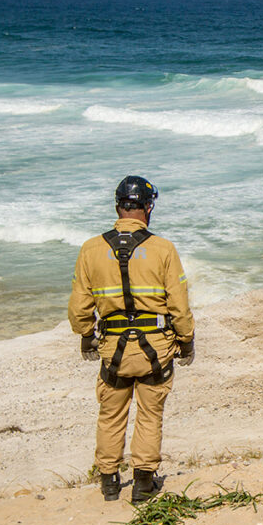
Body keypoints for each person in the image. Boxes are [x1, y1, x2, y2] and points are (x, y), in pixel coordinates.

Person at [68, 176, 196, 502]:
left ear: (117, 207)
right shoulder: (163, 249)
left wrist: (86, 336)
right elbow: (178, 304)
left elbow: (79, 307)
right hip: (156, 347)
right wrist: (187, 339)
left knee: (111, 414)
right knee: (150, 415)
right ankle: (143, 482)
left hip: (113, 349)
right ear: (148, 208)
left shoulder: (91, 249)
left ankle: (109, 481)